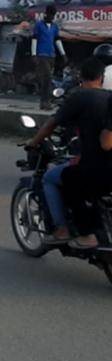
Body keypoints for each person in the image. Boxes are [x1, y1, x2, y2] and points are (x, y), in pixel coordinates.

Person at [29, 57, 111, 249]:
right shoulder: (108, 97)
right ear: (102, 77)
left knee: (55, 178)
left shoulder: (79, 97)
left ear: (81, 77)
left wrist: (33, 142)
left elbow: (51, 124)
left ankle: (67, 230)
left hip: (98, 166)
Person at [31, 4, 66, 110]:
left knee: (48, 80)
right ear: (46, 13)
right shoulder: (39, 25)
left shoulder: (55, 26)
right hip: (42, 55)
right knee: (47, 78)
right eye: (50, 14)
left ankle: (45, 102)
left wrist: (63, 54)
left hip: (52, 55)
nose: (52, 16)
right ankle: (45, 102)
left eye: (53, 15)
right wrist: (33, 54)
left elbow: (57, 40)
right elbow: (34, 40)